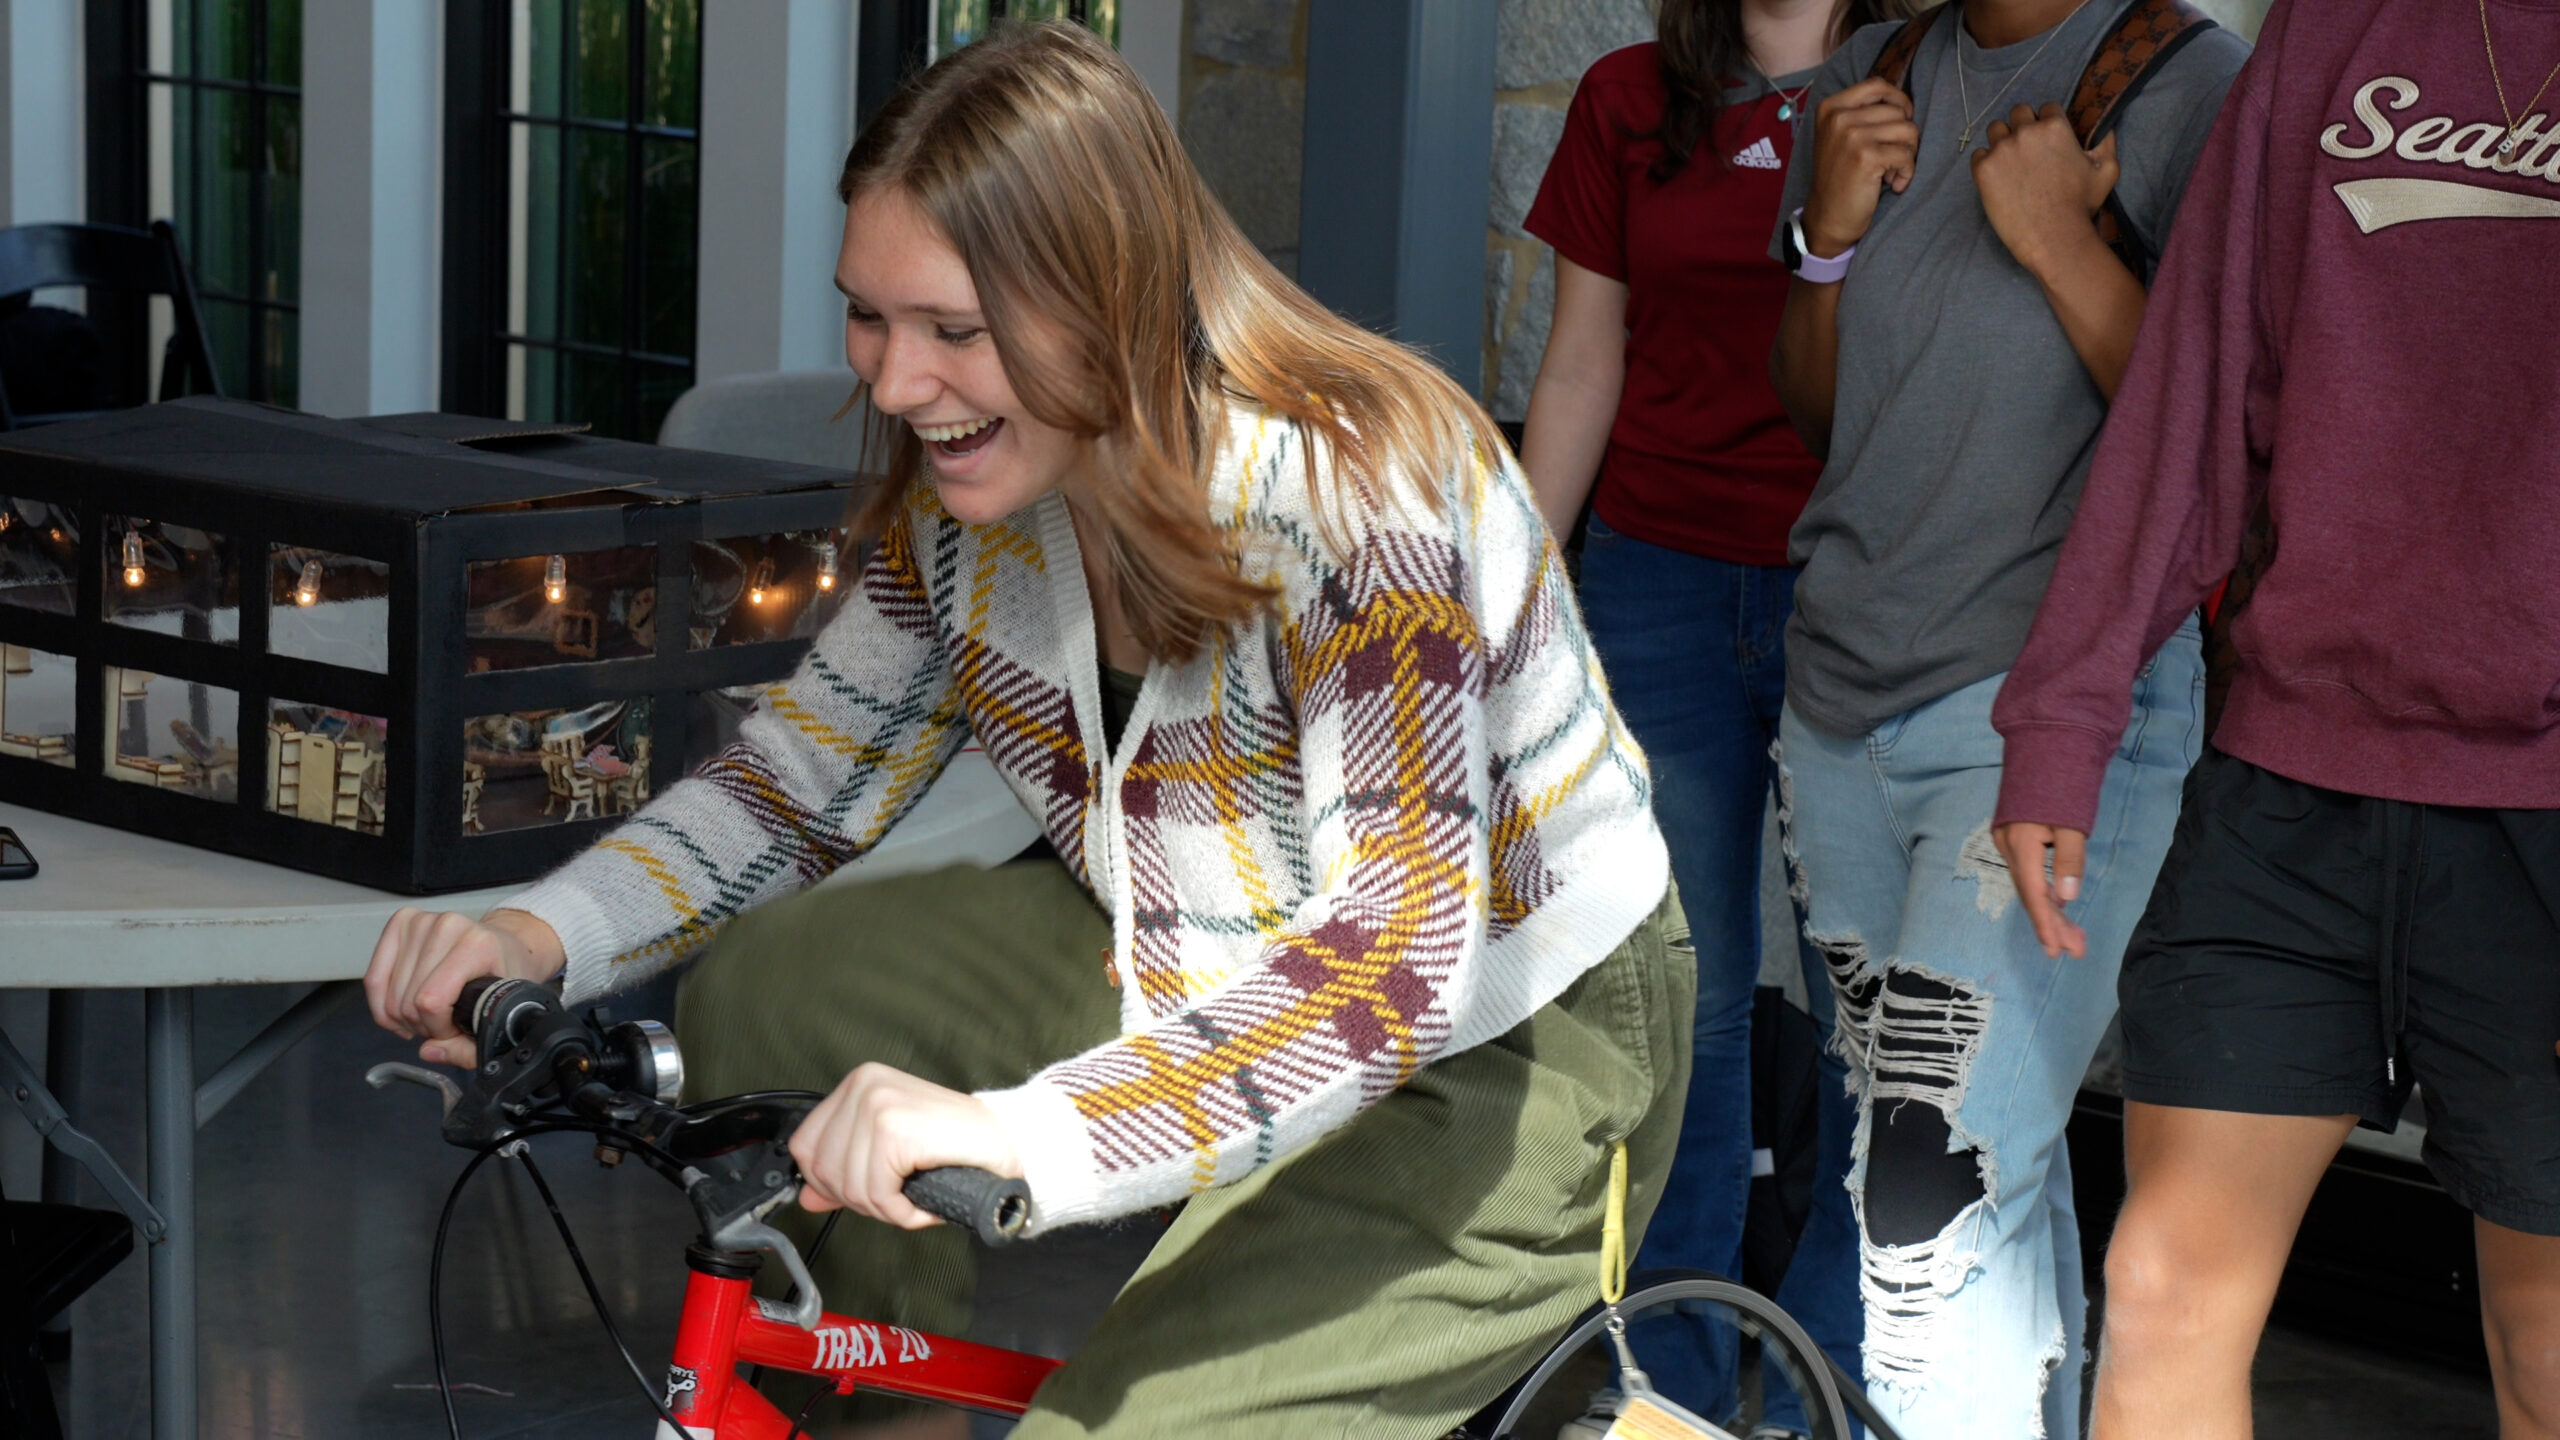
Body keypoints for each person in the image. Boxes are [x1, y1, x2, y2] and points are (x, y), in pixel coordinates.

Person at [363, 22, 1691, 1440]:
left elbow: (1391, 960)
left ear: (1103, 298)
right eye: (868, 315)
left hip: (1499, 1027)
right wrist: (535, 940)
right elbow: (795, 784)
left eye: (953, 330)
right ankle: (888, 1410)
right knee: (770, 988)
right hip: (1185, 935)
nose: (890, 382)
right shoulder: (977, 513)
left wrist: (1022, 1137)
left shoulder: (1361, 490)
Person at [1988, 0, 2560, 1433]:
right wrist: (2068, 704)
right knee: (2168, 1288)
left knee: (2546, 1334)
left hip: (2544, 816)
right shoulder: (2334, 29)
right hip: (2291, 782)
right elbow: (2197, 377)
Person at [1763, 0, 2246, 1434]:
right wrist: (1827, 242)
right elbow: (1814, 410)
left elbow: (2219, 442)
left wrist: (2058, 238)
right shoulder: (1874, 73)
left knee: (1925, 1200)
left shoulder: (2187, 79)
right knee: (1951, 1176)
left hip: (2046, 714)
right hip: (1838, 710)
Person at [1516, 0, 1908, 1429]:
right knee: (1683, 1009)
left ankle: (1828, 1387)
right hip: (1658, 589)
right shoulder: (1630, 97)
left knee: (1872, 1021)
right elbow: (1579, 362)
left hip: (1857, 594)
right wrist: (1517, 603)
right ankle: (1666, 1392)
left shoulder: (1924, 84)